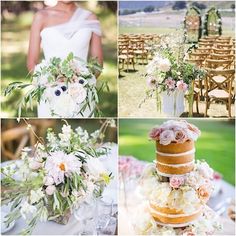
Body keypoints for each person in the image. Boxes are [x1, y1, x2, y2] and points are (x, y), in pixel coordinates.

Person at [27, 0, 103, 117]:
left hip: (80, 94)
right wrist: (49, 84)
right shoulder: (41, 17)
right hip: (50, 93)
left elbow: (98, 65)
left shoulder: (90, 18)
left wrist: (79, 84)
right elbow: (31, 63)